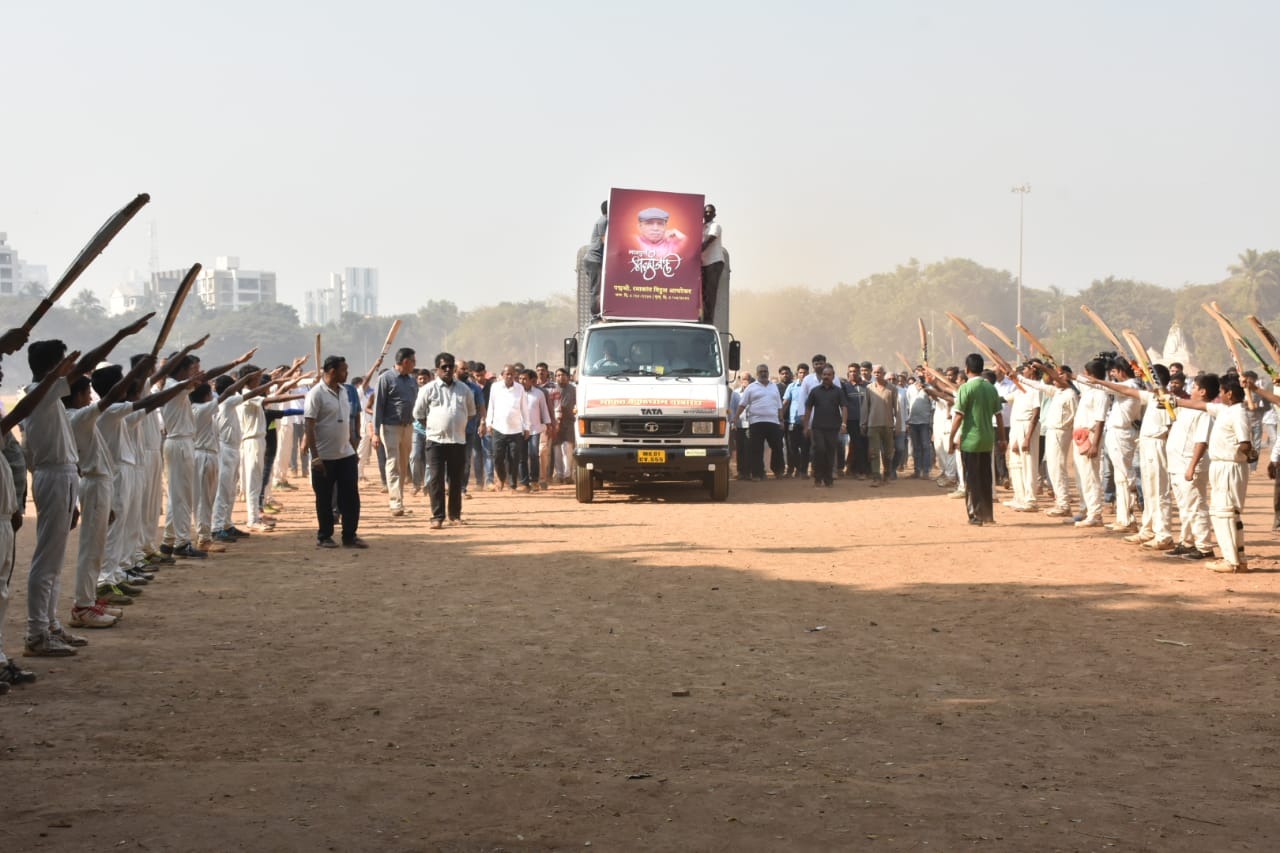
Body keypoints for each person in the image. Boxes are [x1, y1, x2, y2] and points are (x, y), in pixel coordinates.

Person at [22, 317, 151, 657]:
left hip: (63, 475)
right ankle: (37, 632)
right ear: (53, 369)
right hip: (54, 475)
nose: (71, 370)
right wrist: (121, 334)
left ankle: (50, 625)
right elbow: (87, 365)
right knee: (46, 562)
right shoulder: (40, 394)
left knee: (54, 562)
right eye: (63, 364)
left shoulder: (48, 398)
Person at [1168, 373, 1253, 572]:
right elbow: (1199, 405)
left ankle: (1231, 561)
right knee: (1222, 513)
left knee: (1226, 513)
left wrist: (1249, 453)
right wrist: (1173, 401)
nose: (1219, 395)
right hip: (1220, 466)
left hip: (1230, 466)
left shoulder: (1238, 413)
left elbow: (1245, 443)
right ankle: (1237, 559)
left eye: (1222, 391)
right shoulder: (1224, 409)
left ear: (1229, 394)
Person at [305, 356, 365, 549]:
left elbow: (347, 422)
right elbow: (309, 425)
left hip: (346, 453)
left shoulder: (345, 391)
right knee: (324, 499)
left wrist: (353, 448)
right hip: (324, 456)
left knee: (350, 497)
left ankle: (350, 535)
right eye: (343, 370)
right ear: (332, 371)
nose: (347, 373)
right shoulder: (316, 394)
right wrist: (315, 456)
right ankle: (324, 536)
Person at [415, 352, 476, 529]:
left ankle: (455, 515)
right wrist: (435, 427)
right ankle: (437, 516)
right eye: (444, 367)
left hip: (458, 440)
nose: (448, 369)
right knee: (436, 479)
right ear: (437, 369)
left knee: (456, 479)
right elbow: (419, 414)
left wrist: (456, 424)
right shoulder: (428, 389)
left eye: (451, 366)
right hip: (435, 441)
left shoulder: (464, 389)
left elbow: (470, 413)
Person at [949, 353, 1005, 526]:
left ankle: (975, 515)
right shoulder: (991, 388)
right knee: (985, 478)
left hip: (970, 441)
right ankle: (987, 514)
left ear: (967, 369)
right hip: (987, 439)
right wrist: (1002, 439)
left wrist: (951, 438)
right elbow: (999, 416)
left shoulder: (965, 388)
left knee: (971, 479)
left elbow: (959, 416)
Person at [373, 347, 418, 517]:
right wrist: (375, 432)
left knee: (404, 464)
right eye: (413, 361)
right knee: (393, 463)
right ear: (405, 362)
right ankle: (395, 503)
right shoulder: (385, 379)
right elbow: (378, 407)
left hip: (408, 427)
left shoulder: (412, 380)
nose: (415, 364)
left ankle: (400, 500)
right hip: (390, 427)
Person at [1071, 358, 1110, 529]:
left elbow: (1100, 421)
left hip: (1091, 435)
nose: (1083, 376)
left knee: (1090, 476)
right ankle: (1088, 511)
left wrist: (1095, 444)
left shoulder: (1101, 393)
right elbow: (1072, 378)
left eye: (1086, 373)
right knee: (1082, 475)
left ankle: (1095, 514)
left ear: (1092, 375)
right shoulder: (1088, 389)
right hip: (1080, 435)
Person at [735, 364, 785, 481]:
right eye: (761, 371)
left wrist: (781, 420)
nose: (763, 373)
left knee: (778, 447)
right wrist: (735, 418)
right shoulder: (751, 387)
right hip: (756, 422)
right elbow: (742, 404)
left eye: (765, 371)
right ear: (757, 374)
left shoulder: (774, 387)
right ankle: (757, 474)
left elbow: (779, 405)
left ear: (768, 373)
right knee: (756, 449)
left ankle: (778, 471)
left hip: (773, 422)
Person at [486, 364, 528, 491]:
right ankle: (501, 478)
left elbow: (524, 409)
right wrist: (489, 423)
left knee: (514, 458)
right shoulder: (495, 387)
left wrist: (527, 427)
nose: (509, 376)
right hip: (498, 428)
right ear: (503, 375)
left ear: (515, 375)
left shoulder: (520, 388)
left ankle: (513, 484)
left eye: (511, 374)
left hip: (516, 429)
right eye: (507, 374)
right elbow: (491, 406)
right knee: (497, 457)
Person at [804, 364, 847, 487]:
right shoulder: (815, 391)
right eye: (824, 374)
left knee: (830, 453)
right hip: (818, 427)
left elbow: (844, 407)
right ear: (821, 376)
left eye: (829, 374)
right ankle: (818, 478)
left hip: (833, 427)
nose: (826, 376)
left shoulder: (838, 391)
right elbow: (808, 408)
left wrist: (844, 424)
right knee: (820, 450)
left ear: (833, 376)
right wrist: (806, 426)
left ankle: (828, 479)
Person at [861, 365, 898, 487]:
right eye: (875, 372)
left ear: (884, 373)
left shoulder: (892, 388)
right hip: (873, 425)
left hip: (888, 425)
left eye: (879, 372)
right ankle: (876, 477)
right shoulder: (869, 388)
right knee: (873, 452)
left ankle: (886, 475)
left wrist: (898, 425)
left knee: (888, 453)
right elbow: (865, 407)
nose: (877, 374)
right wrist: (863, 423)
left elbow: (897, 408)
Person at [782, 364, 810, 478]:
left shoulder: (811, 387)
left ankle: (803, 471)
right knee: (792, 448)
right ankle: (796, 468)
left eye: (805, 373)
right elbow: (785, 403)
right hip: (793, 422)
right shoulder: (791, 386)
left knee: (805, 448)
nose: (803, 375)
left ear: (808, 374)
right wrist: (780, 418)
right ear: (797, 374)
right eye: (800, 373)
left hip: (807, 423)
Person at [700, 204, 724, 324]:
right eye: (706, 211)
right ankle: (703, 318)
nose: (708, 213)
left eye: (710, 212)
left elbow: (707, 242)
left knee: (710, 293)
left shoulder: (715, 226)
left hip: (714, 263)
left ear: (714, 214)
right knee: (703, 294)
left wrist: (693, 251)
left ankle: (709, 322)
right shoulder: (700, 227)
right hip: (704, 264)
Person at [553, 367, 576, 483]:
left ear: (568, 377)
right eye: (558, 375)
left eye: (562, 375)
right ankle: (559, 475)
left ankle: (568, 475)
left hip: (569, 422)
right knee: (557, 449)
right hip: (555, 423)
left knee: (567, 447)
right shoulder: (552, 389)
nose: (560, 377)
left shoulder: (574, 389)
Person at [585, 201, 607, 317]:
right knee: (596, 289)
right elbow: (605, 240)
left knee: (600, 287)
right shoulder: (604, 220)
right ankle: (595, 314)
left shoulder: (604, 220)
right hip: (594, 259)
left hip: (596, 259)